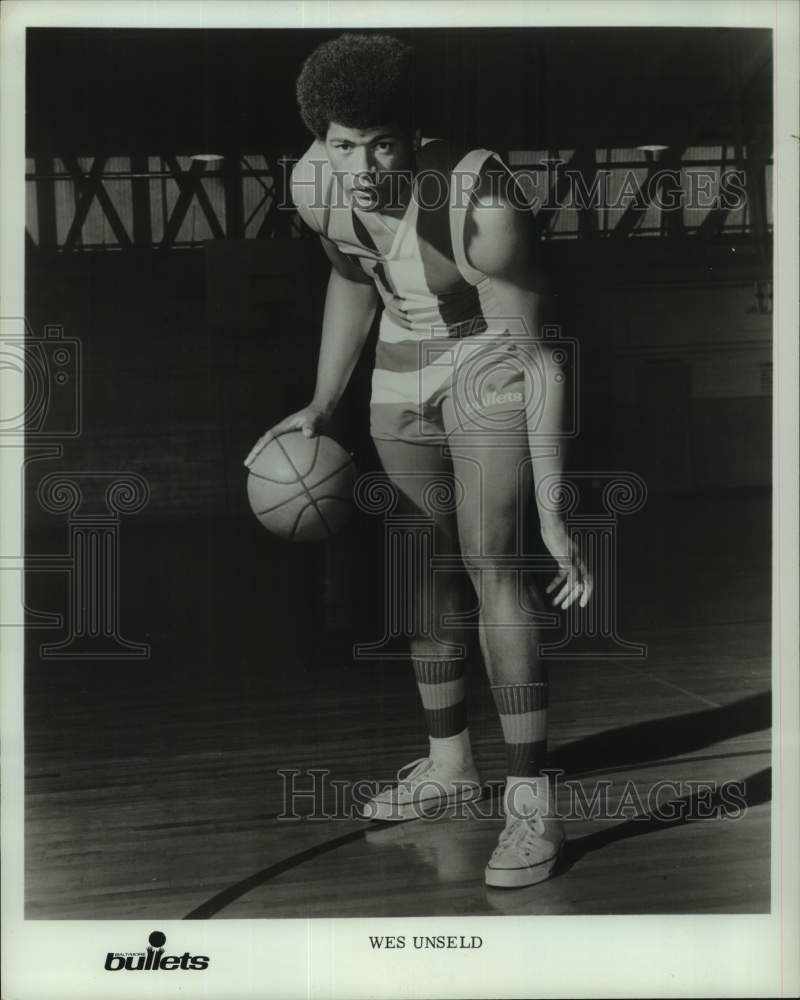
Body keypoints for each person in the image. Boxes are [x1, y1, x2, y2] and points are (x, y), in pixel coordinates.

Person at [244, 32, 593, 889]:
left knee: (493, 568)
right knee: (423, 571)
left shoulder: (483, 200)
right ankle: (449, 768)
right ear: (321, 138)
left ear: (413, 132)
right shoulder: (313, 184)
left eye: (383, 144)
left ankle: (529, 804)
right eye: (343, 144)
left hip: (488, 364)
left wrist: (554, 506)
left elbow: (536, 357)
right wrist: (323, 403)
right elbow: (354, 279)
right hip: (400, 366)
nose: (363, 165)